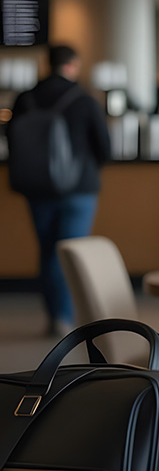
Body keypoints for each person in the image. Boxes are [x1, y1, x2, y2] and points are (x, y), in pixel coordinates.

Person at [8, 45, 110, 336]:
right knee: (72, 252)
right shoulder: (84, 99)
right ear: (72, 65)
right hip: (78, 189)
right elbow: (104, 147)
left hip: (37, 187)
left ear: (47, 64)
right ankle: (68, 315)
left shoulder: (25, 99)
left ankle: (56, 315)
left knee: (48, 252)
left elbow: (13, 142)